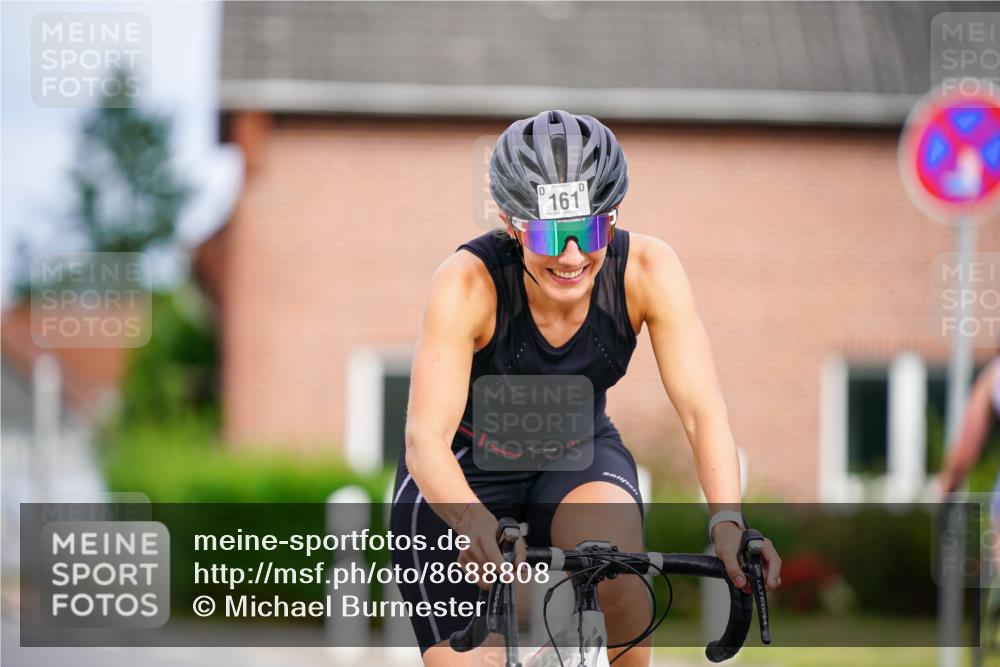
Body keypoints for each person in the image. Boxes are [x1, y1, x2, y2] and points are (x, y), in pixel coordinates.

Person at [390, 110, 781, 667]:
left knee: (619, 575)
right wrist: (473, 522)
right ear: (511, 221)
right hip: (462, 467)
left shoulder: (648, 269)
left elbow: (700, 409)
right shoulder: (467, 283)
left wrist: (727, 522)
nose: (572, 256)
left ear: (614, 219)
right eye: (550, 234)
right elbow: (425, 438)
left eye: (591, 231)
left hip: (575, 454)